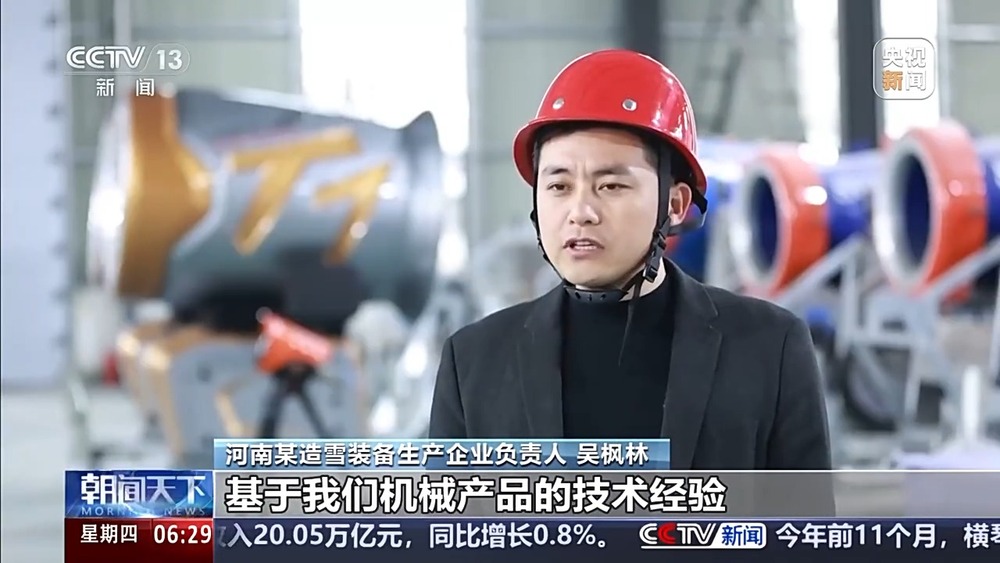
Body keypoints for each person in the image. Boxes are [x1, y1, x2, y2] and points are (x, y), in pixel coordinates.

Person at [428, 49, 832, 472]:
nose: (581, 212)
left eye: (611, 186)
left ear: (674, 204)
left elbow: (802, 514)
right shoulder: (473, 363)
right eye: (559, 186)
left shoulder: (769, 348)